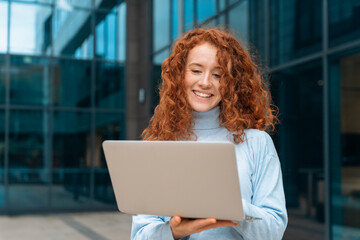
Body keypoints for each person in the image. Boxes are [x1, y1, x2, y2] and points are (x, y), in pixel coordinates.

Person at [131, 28, 288, 240]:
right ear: (179, 74)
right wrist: (175, 231)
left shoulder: (257, 143)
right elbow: (140, 235)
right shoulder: (161, 144)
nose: (205, 82)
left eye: (218, 74)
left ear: (232, 82)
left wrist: (230, 206)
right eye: (196, 71)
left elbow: (274, 231)